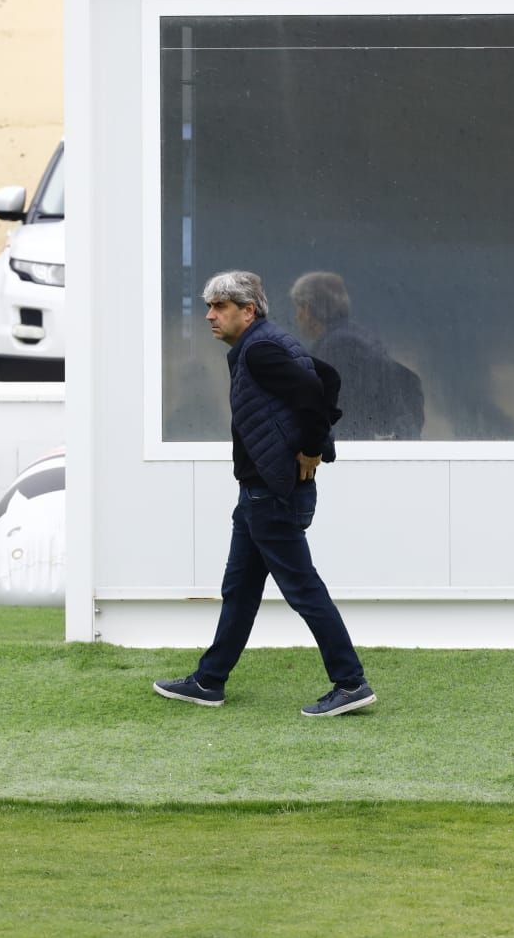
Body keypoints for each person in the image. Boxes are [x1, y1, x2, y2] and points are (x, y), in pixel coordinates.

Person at [153, 270, 377, 718]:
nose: (209, 316)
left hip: (272, 493)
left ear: (248, 311)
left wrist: (312, 449)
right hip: (257, 492)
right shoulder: (265, 344)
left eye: (219, 307)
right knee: (239, 588)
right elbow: (327, 377)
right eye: (209, 306)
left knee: (303, 588)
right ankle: (209, 681)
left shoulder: (260, 351)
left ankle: (350, 682)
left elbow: (321, 391)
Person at [290, 271, 424, 440]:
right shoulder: (356, 338)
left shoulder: (338, 347)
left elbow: (346, 411)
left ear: (307, 309)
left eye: (297, 309)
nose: (296, 317)